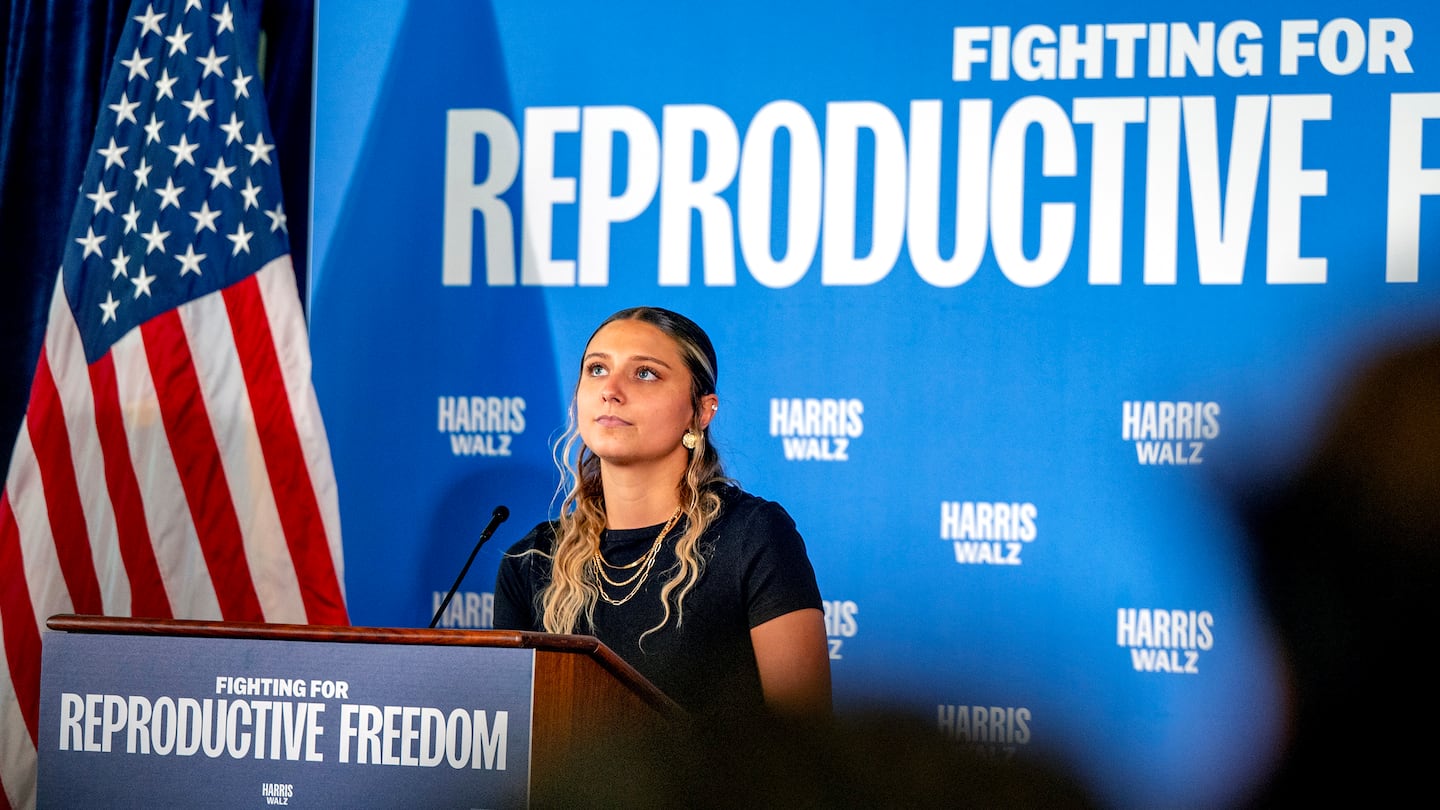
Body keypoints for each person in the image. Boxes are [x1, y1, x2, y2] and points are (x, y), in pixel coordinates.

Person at [493, 306, 831, 724]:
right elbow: (510, 744)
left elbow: (805, 740)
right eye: (597, 369)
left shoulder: (752, 536)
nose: (610, 390)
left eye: (645, 374)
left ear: (701, 411)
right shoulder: (530, 561)